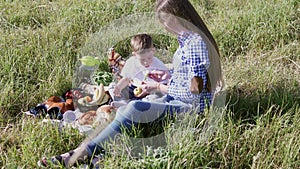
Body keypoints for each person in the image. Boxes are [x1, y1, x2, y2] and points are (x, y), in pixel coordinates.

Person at [38, 0, 224, 167]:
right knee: (126, 111)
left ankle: (80, 154)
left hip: (189, 107)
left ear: (179, 15)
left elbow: (196, 91)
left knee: (134, 107)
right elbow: (191, 75)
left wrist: (158, 86)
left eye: (166, 20)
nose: (165, 26)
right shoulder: (186, 38)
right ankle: (92, 153)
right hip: (174, 98)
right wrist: (169, 74)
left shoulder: (195, 43)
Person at [112, 33, 170, 102]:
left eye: (149, 58)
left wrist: (148, 91)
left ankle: (135, 104)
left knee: (155, 97)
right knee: (113, 87)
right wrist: (119, 87)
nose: (146, 62)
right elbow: (126, 79)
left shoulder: (158, 65)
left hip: (151, 90)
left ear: (153, 51)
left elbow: (163, 84)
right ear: (134, 55)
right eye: (142, 60)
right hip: (135, 87)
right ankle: (125, 102)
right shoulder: (131, 62)